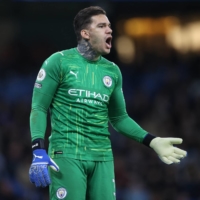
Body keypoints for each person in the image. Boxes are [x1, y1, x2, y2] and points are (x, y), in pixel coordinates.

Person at [29, 6, 187, 200]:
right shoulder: (58, 62)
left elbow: (119, 118)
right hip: (67, 153)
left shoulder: (112, 71)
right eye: (102, 26)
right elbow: (39, 107)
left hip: (103, 156)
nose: (109, 30)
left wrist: (151, 140)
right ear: (85, 33)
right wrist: (38, 149)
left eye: (110, 26)